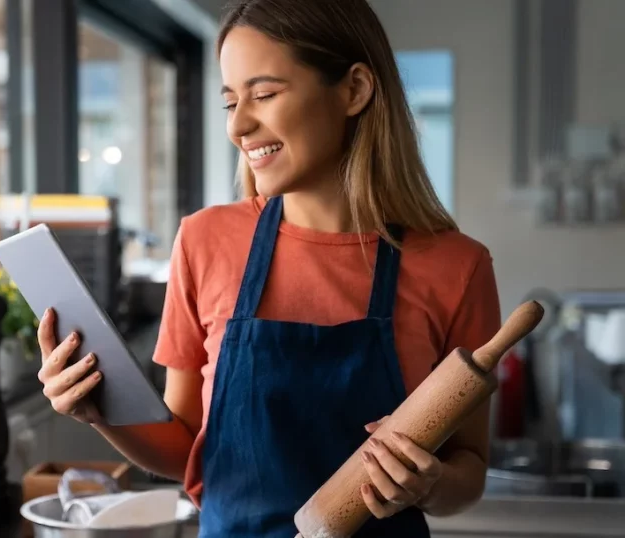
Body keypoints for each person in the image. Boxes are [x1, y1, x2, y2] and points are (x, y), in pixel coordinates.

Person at [35, 0, 501, 536]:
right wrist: (99, 411)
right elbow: (188, 449)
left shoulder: (457, 267)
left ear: (354, 89)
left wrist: (429, 484)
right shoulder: (204, 242)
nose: (238, 125)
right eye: (230, 101)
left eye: (264, 94)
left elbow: (469, 468)